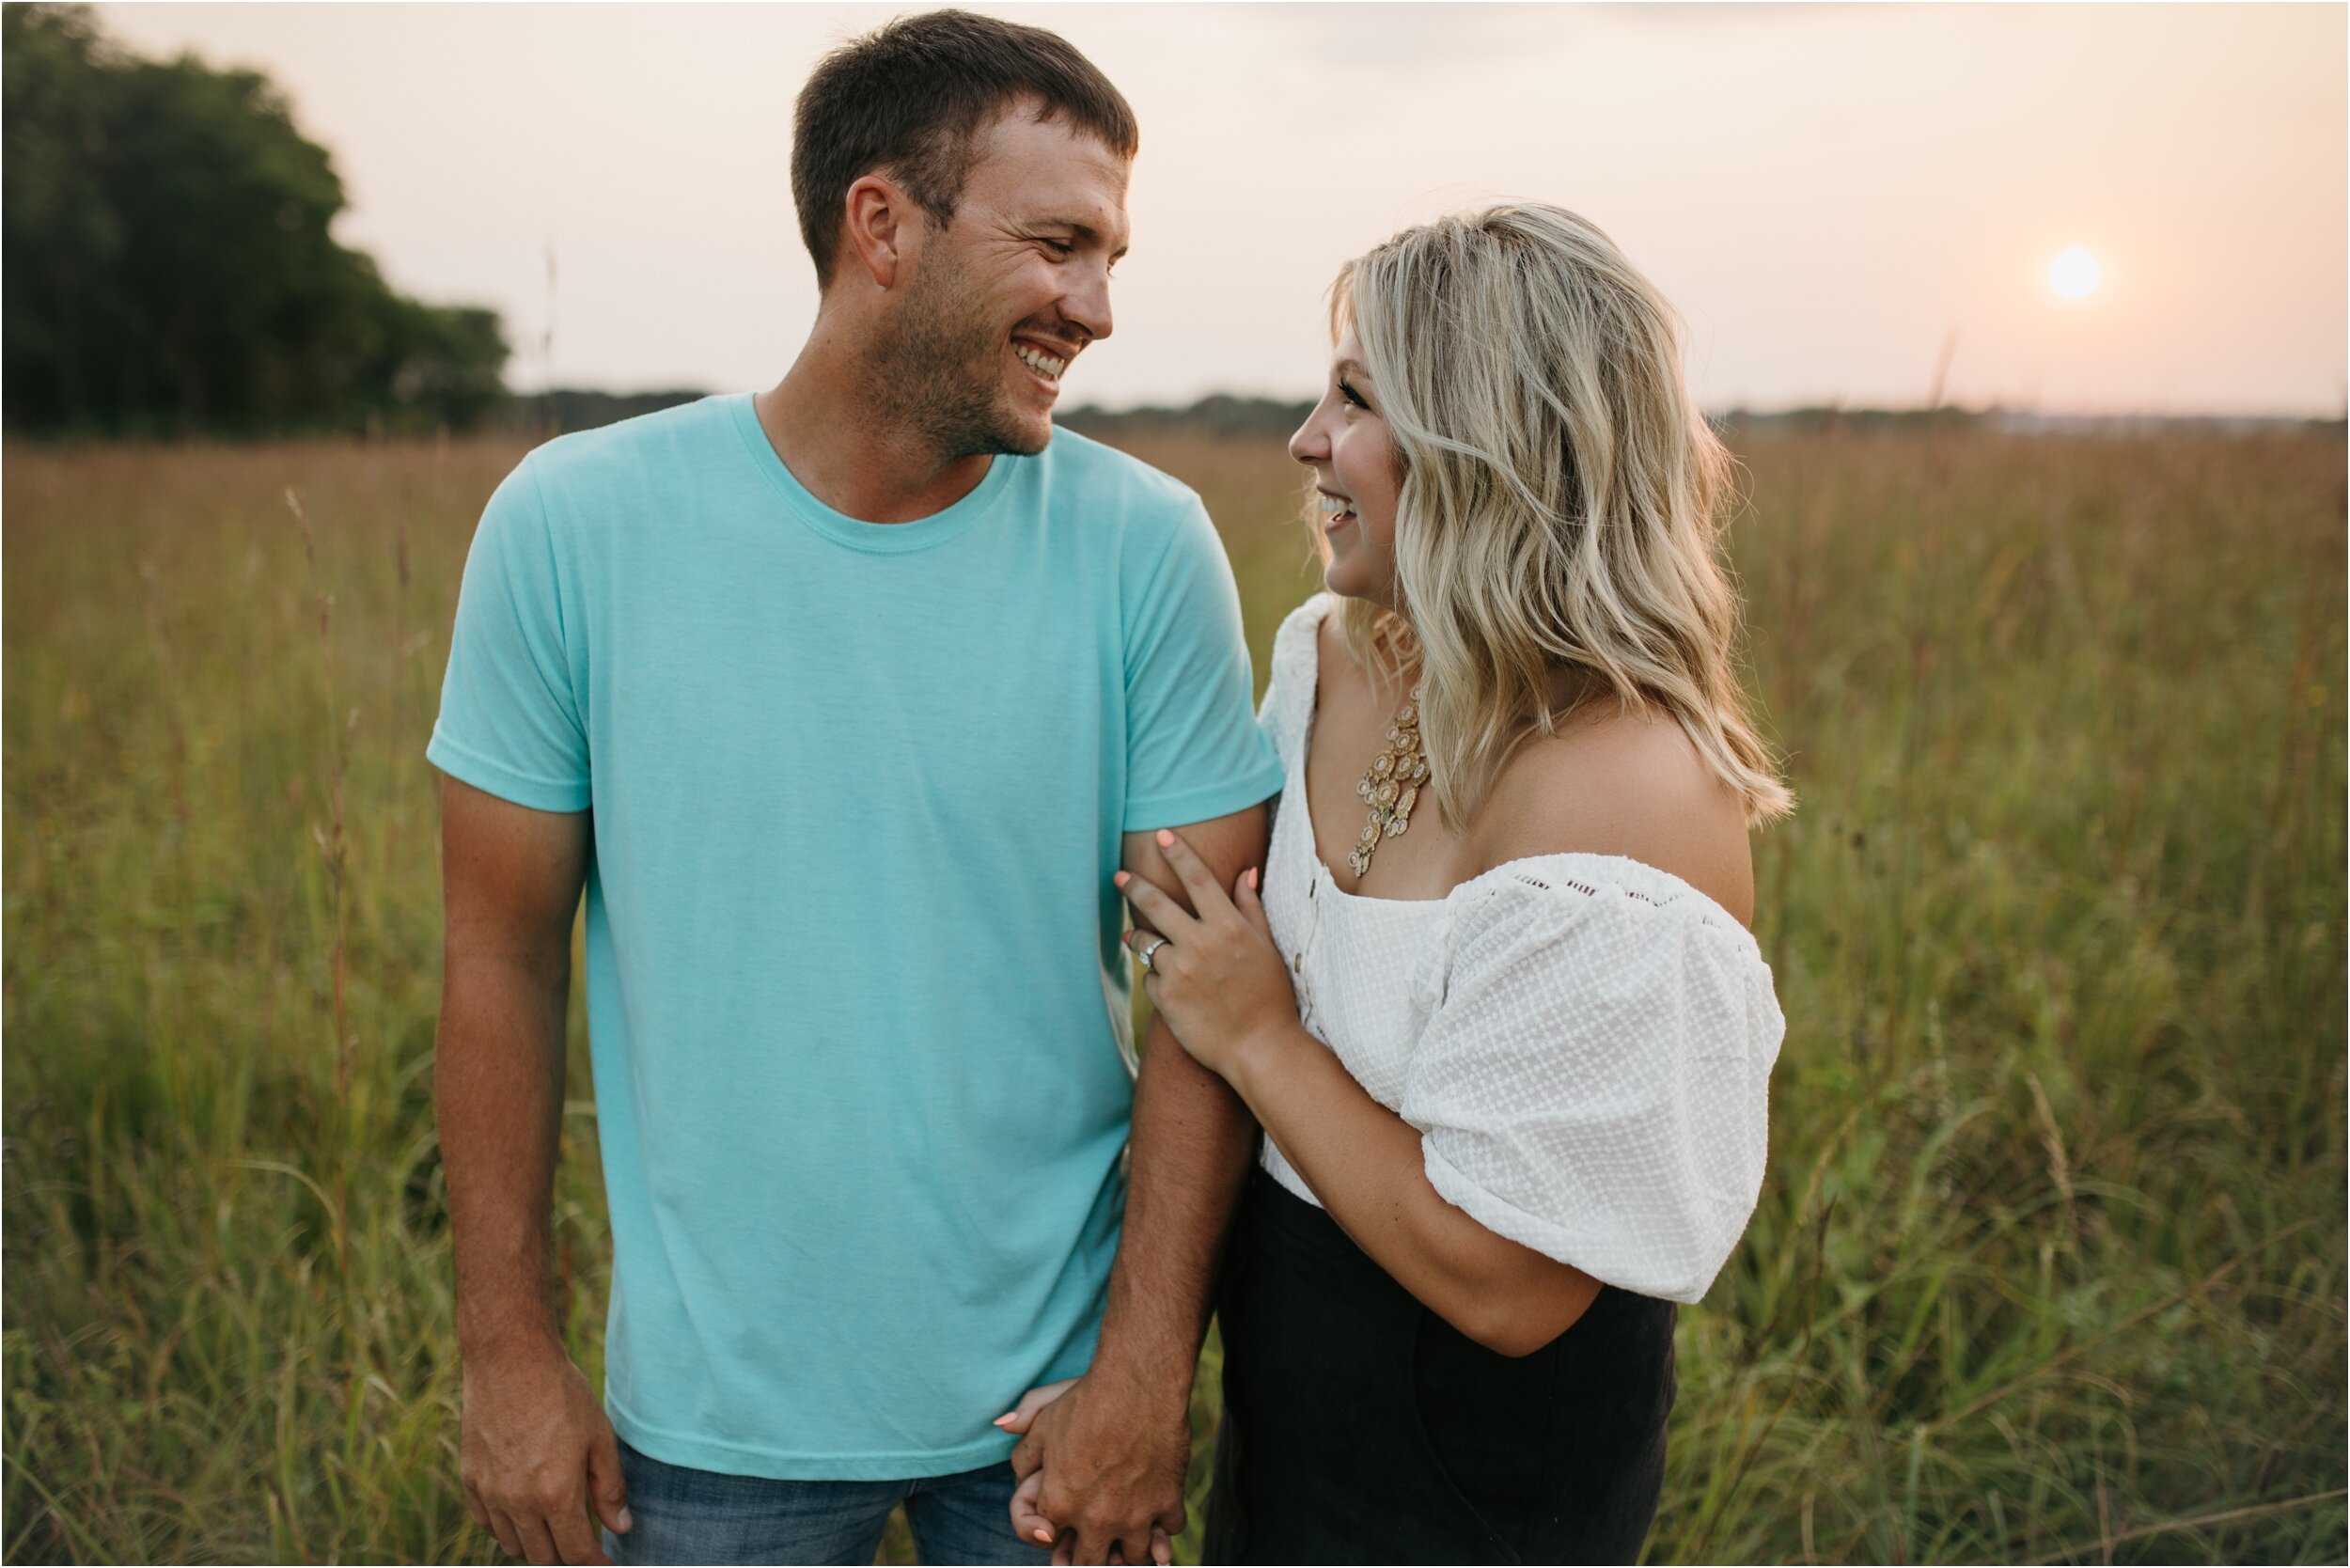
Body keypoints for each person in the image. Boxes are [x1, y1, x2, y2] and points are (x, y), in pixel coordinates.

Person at [428, 11, 1283, 1565]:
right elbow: (497, 957)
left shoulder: (1146, 550)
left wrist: (1148, 1376)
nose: (1093, 308)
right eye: (1057, 244)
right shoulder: (575, 526)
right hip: (707, 1428)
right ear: (881, 223)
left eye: (1113, 260)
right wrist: (506, 1355)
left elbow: (1210, 1003)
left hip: (1054, 1418)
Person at [1007, 204, 1791, 1563]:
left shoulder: (1620, 792)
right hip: (1292, 1371)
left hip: (1480, 1456)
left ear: (1493, 443)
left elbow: (1511, 1287)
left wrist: (1260, 1033)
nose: (1306, 438)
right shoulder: (1332, 652)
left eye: (1358, 398)